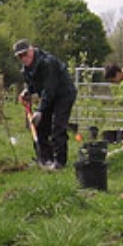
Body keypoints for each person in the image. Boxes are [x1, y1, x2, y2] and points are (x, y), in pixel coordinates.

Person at [14, 39, 77, 169]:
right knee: (41, 126)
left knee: (58, 126)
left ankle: (60, 161)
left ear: (31, 50)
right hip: (49, 95)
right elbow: (33, 84)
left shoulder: (48, 63)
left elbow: (49, 89)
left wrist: (41, 110)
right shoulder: (26, 69)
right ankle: (44, 158)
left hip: (63, 94)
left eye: (25, 54)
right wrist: (27, 91)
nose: (23, 58)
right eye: (20, 56)